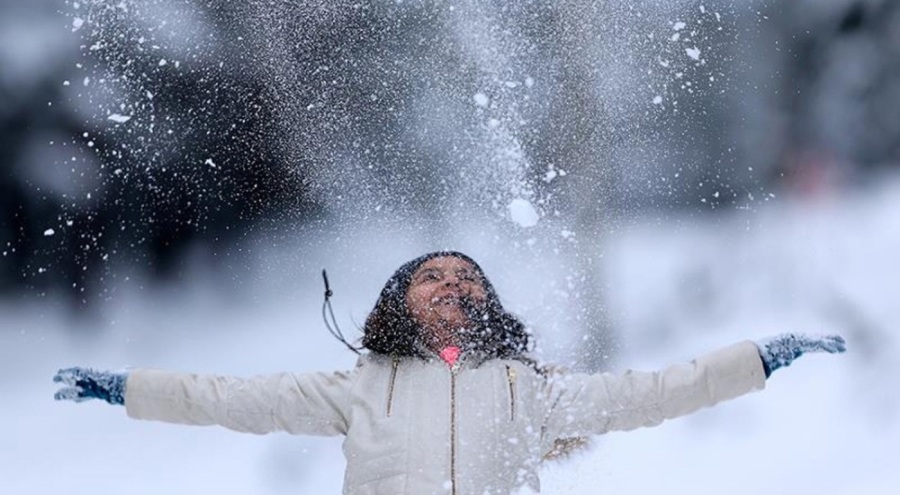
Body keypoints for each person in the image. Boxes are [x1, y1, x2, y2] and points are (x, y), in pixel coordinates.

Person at [54, 251, 846, 495]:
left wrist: (757, 358)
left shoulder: (530, 389)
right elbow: (230, 398)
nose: (453, 283)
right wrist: (127, 387)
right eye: (432, 275)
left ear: (488, 303)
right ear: (398, 301)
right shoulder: (360, 386)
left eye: (468, 277)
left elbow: (653, 392)